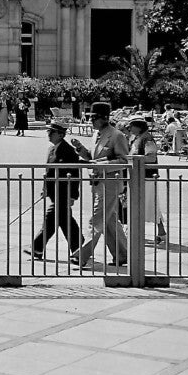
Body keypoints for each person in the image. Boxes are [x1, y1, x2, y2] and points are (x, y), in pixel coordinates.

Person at [73, 102, 129, 269]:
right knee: (110, 220)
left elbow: (124, 161)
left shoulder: (117, 135)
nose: (92, 121)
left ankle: (81, 255)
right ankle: (122, 254)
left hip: (110, 182)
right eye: (91, 118)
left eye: (94, 118)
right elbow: (92, 156)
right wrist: (81, 149)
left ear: (104, 118)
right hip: (98, 183)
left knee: (96, 220)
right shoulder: (97, 134)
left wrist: (100, 164)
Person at [27, 120, 83, 260]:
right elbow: (49, 171)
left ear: (60, 134)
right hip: (54, 191)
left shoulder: (68, 151)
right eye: (48, 132)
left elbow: (75, 173)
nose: (49, 134)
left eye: (51, 132)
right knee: (64, 221)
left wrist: (73, 196)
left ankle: (37, 247)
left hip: (64, 191)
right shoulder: (51, 149)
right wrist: (45, 188)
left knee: (52, 219)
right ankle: (79, 247)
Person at [125, 116, 166, 245]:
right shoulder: (136, 139)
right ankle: (161, 232)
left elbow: (151, 157)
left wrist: (133, 160)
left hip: (146, 177)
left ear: (138, 126)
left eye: (131, 125)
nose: (129, 128)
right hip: (138, 176)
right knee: (149, 205)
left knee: (148, 204)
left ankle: (132, 231)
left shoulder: (147, 139)